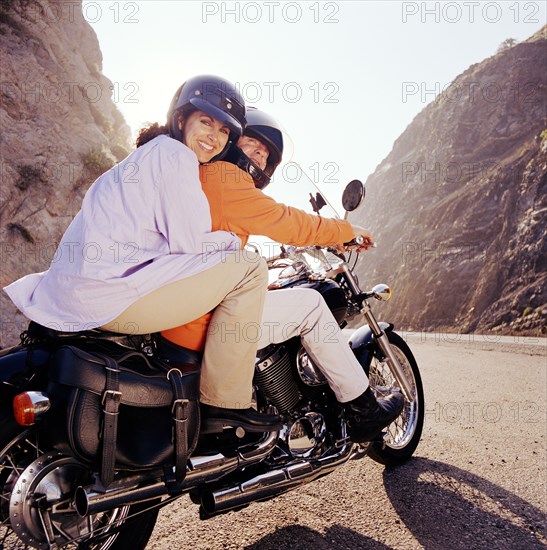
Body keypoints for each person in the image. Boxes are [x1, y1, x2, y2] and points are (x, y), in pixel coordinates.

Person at [3, 76, 280, 432]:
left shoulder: (145, 156)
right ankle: (225, 407)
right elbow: (191, 244)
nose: (214, 136)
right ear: (181, 120)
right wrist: (230, 241)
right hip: (106, 300)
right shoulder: (175, 156)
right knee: (251, 267)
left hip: (74, 295)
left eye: (225, 131)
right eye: (206, 122)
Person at [160, 107, 404, 442]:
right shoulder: (224, 178)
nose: (258, 154)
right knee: (311, 305)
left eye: (265, 154)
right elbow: (287, 221)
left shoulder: (202, 177)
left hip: (185, 313)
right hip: (203, 323)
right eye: (251, 145)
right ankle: (364, 412)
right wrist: (345, 231)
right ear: (231, 142)